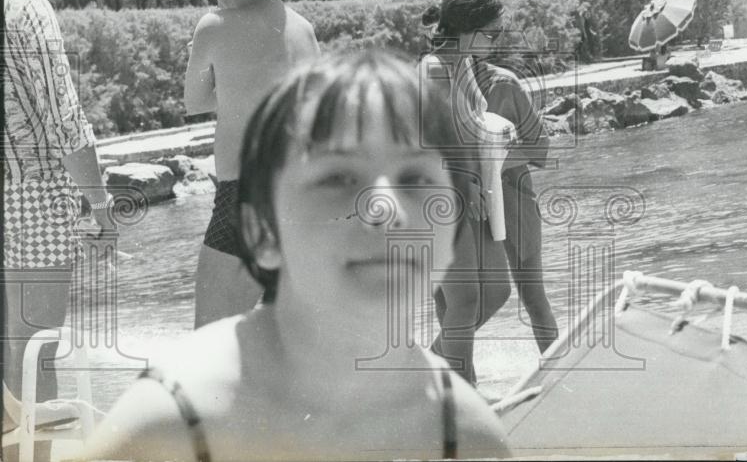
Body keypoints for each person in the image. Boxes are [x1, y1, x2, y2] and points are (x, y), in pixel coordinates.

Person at [80, 51, 510, 461]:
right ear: (261, 232)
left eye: (416, 178)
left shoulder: (463, 433)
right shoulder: (173, 421)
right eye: (338, 177)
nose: (385, 208)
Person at [3, 0, 114, 462]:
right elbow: (65, 121)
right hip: (32, 192)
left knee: (6, 353)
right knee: (35, 349)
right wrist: (101, 208)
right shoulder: (26, 8)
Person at [185, 0, 319, 328]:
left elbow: (194, 102)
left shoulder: (215, 26)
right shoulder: (303, 29)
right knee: (286, 338)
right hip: (302, 193)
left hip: (245, 194)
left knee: (210, 338)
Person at [420, 0, 515, 387]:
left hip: (470, 192)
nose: (496, 41)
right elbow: (434, 138)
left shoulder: (460, 64)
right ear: (467, 28)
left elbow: (467, 125)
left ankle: (440, 373)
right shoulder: (435, 67)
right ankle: (457, 392)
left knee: (495, 291)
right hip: (441, 194)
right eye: (490, 34)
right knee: (464, 301)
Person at [470, 0, 558, 357]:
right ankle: (461, 381)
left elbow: (540, 151)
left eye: (493, 34)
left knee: (532, 295)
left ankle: (558, 379)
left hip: (513, 200)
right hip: (469, 205)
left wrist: (491, 163)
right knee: (465, 298)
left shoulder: (504, 85)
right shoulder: (439, 85)